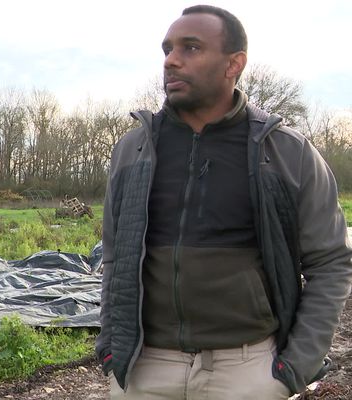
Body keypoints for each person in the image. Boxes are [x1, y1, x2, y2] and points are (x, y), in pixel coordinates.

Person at [96, 5, 352, 400]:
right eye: (167, 49)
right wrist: (112, 348)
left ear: (235, 64)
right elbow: (114, 256)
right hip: (145, 369)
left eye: (191, 48)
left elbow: (331, 262)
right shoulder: (134, 149)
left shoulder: (286, 152)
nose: (172, 61)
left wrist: (295, 367)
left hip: (247, 371)